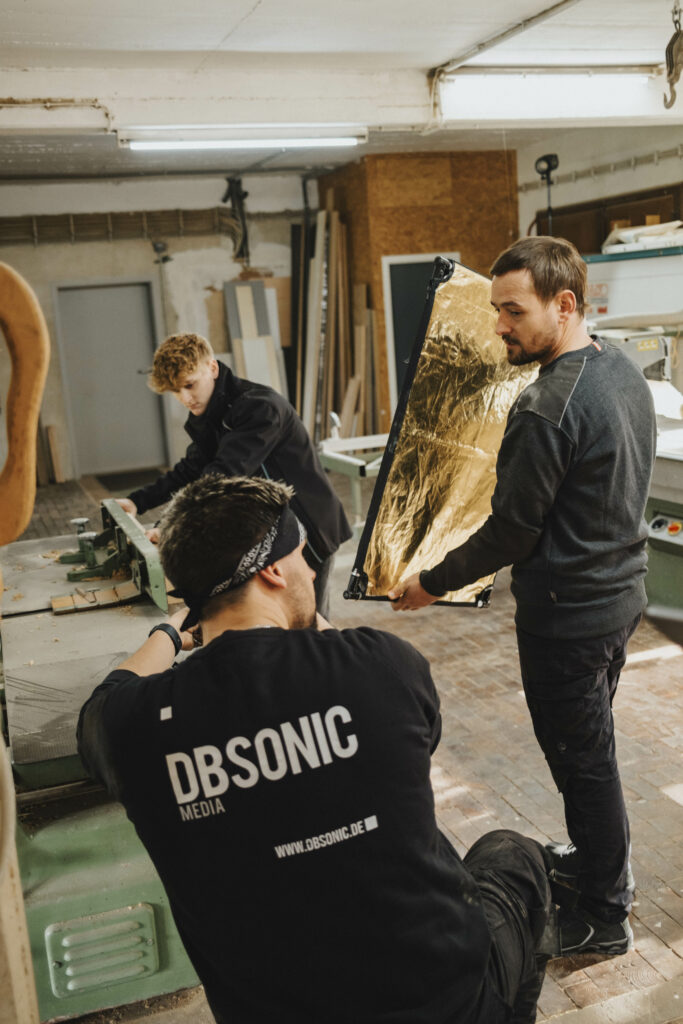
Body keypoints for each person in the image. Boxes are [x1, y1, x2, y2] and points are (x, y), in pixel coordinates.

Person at [78, 474, 557, 1024]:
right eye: (303, 555)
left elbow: (100, 703)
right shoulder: (382, 666)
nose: (311, 571)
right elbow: (415, 733)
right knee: (515, 854)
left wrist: (170, 631)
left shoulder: (134, 724)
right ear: (273, 571)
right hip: (449, 1005)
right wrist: (305, 624)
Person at [388, 236, 657, 958]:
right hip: (617, 599)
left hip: (569, 619)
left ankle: (604, 913)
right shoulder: (620, 370)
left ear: (563, 304)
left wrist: (430, 582)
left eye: (513, 311)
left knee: (582, 763)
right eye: (496, 310)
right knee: (590, 747)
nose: (499, 326)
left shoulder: (544, 406)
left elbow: (511, 531)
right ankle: (595, 862)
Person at [115, 332, 350, 617]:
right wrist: (137, 501)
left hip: (310, 527)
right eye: (176, 391)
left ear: (212, 368)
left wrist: (169, 525)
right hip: (276, 531)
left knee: (308, 622)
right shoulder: (209, 414)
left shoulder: (260, 408)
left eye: (189, 385)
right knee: (280, 619)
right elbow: (192, 468)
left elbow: (223, 474)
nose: (185, 398)